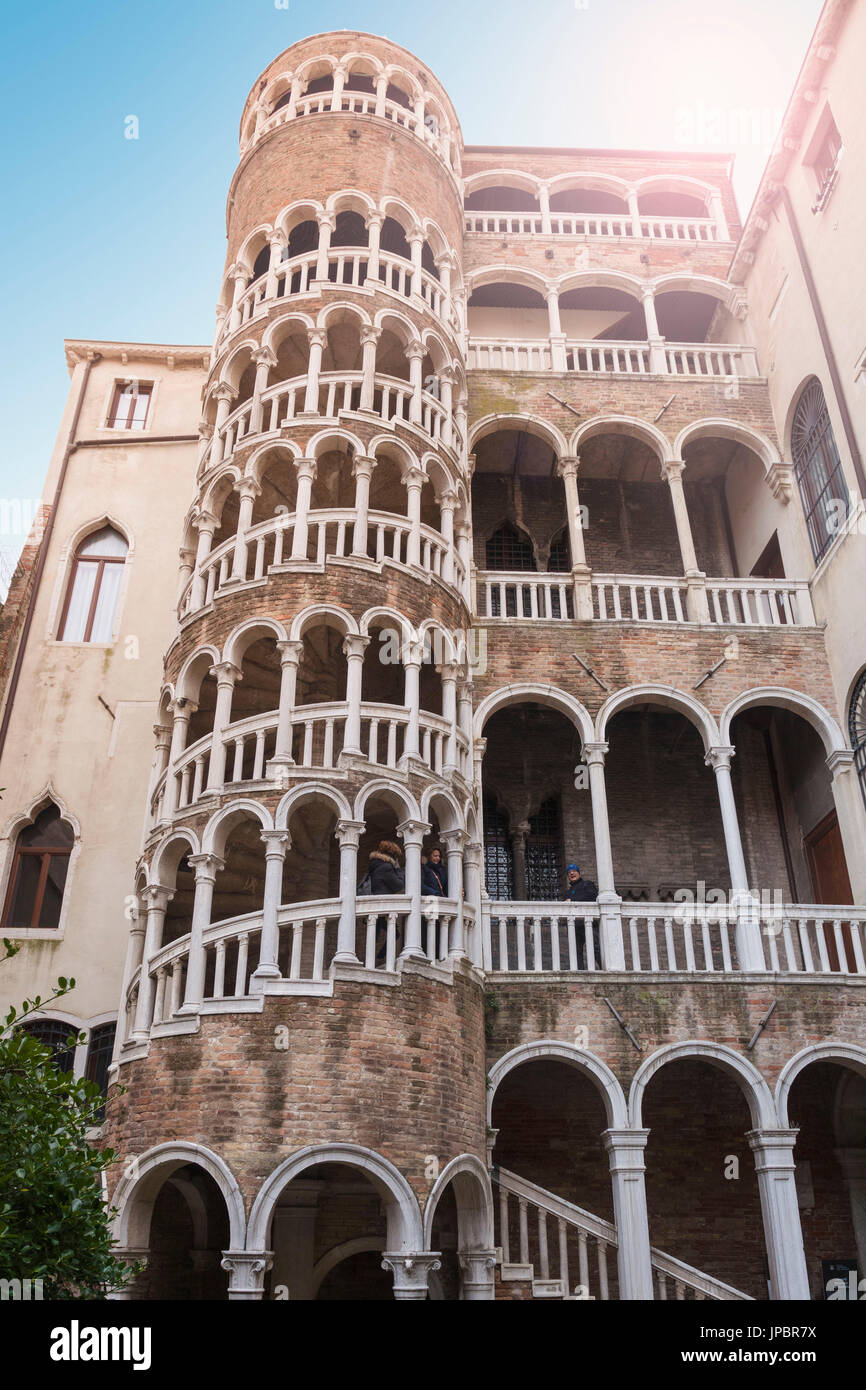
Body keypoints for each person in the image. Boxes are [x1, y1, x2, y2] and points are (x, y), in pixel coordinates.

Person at [366, 840, 405, 966]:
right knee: (391, 933)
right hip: (381, 905)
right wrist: (398, 870)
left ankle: (374, 959)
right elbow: (398, 885)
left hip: (374, 903)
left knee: (375, 934)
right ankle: (374, 961)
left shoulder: (375, 864)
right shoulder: (386, 867)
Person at [561, 863, 601, 970]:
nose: (571, 873)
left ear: (578, 873)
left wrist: (573, 900)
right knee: (576, 950)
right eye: (569, 872)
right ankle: (580, 970)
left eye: (574, 871)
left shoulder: (587, 885)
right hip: (574, 925)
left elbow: (592, 896)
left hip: (588, 923)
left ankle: (604, 966)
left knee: (595, 947)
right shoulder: (567, 892)